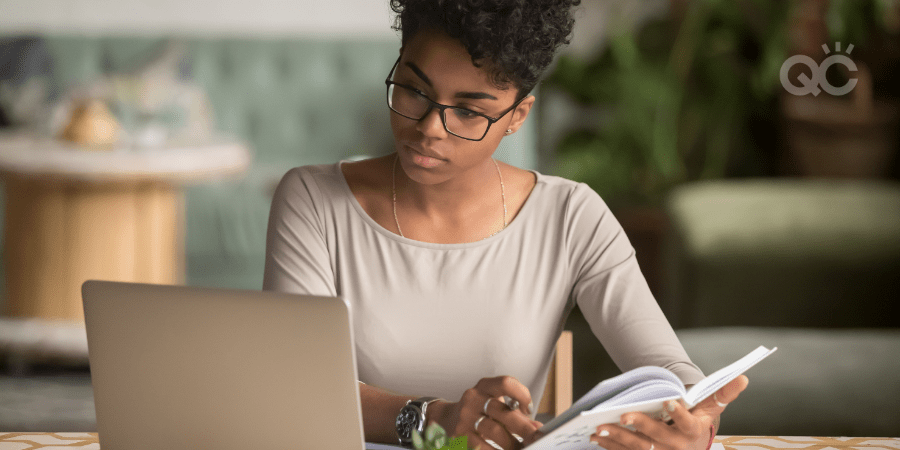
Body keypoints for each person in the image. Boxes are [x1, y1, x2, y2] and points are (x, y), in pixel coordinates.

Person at [262, 0, 749, 448]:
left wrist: (694, 423)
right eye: (414, 90)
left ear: (517, 116)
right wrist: (433, 419)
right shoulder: (313, 200)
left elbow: (670, 373)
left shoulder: (570, 216)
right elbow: (293, 385)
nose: (430, 127)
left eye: (470, 111)